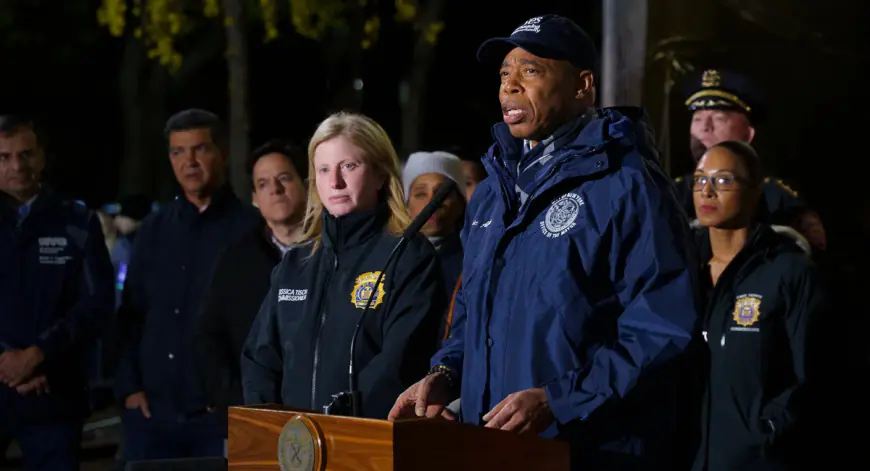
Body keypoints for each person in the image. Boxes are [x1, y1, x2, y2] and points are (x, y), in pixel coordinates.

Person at [389, 15, 699, 471]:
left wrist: (560, 400)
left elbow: (662, 326)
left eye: (530, 71)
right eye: (503, 74)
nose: (509, 86)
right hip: (490, 447)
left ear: (582, 85)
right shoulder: (494, 190)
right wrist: (447, 373)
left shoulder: (628, 184)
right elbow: (473, 310)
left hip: (593, 450)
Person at [242, 112, 445, 419]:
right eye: (323, 170)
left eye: (348, 166)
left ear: (379, 175)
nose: (334, 182)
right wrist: (270, 426)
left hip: (366, 440)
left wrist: (338, 419)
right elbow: (260, 358)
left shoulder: (408, 256)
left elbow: (400, 361)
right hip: (295, 447)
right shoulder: (296, 263)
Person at [114, 109, 258, 461]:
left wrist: (232, 398)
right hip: (152, 416)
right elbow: (130, 315)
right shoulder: (152, 230)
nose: (189, 161)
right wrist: (130, 388)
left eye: (200, 149)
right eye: (178, 151)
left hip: (218, 418)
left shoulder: (251, 230)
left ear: (222, 152)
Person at [690, 141, 827, 471]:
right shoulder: (681, 271)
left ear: (754, 192)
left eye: (723, 180)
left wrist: (764, 431)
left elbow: (816, 376)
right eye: (699, 179)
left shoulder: (789, 272)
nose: (707, 191)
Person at [0, 114, 115, 471]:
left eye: (26, 154)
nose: (17, 165)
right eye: (4, 157)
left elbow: (97, 302)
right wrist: (6, 363)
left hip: (56, 395)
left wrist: (38, 354)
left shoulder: (76, 222)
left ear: (42, 157)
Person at [197, 139, 308, 414]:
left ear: (307, 184)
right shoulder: (236, 260)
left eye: (284, 178)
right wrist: (233, 397)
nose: (276, 189)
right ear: (255, 199)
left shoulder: (335, 253)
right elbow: (209, 334)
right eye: (263, 184)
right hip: (251, 413)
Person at [674, 69, 826, 251]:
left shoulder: (776, 198)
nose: (705, 128)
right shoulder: (672, 192)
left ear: (748, 134)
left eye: (719, 119)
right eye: (697, 119)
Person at [402, 150, 466, 339]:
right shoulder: (392, 260)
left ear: (461, 203)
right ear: (406, 206)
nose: (432, 202)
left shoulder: (473, 261)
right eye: (420, 194)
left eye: (442, 194)